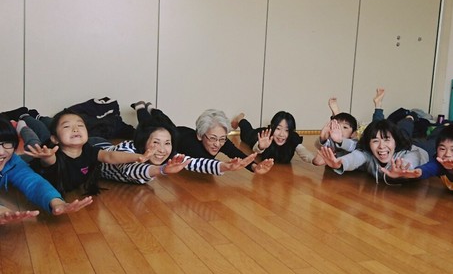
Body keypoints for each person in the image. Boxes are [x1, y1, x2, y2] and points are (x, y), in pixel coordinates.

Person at [94, 105, 258, 184]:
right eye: (156, 142)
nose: (162, 149)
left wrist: (226, 166)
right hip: (96, 147)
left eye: (167, 143)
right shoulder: (126, 150)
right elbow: (132, 170)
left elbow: (196, 163)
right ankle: (141, 108)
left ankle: (149, 108)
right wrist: (160, 169)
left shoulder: (169, 153)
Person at [24, 109, 152, 195]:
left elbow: (109, 156)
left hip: (49, 148)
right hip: (35, 158)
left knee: (42, 134)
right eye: (67, 126)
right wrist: (47, 157)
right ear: (55, 138)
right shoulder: (52, 153)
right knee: (35, 140)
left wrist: (138, 157)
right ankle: (23, 118)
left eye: (80, 125)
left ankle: (30, 118)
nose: (75, 129)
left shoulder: (88, 150)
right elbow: (50, 161)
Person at [131, 103, 274, 175]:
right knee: (155, 124)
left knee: (165, 119)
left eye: (222, 139)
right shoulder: (190, 145)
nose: (217, 144)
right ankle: (141, 107)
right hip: (178, 134)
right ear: (200, 135)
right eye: (213, 138)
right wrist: (227, 166)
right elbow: (204, 163)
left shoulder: (220, 141)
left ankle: (152, 108)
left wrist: (255, 167)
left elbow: (238, 154)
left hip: (184, 132)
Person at [0, 117, 93, 224]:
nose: (1, 152)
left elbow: (34, 183)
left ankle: (22, 123)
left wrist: (57, 202)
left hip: (29, 154)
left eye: (6, 143)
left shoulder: (12, 161)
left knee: (34, 145)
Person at [380, 125, 453, 195]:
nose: (447, 154)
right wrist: (412, 173)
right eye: (442, 149)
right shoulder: (441, 162)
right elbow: (428, 168)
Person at [318, 118, 429, 184]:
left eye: (386, 140)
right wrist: (339, 164)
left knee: (429, 138)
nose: (381, 146)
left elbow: (410, 161)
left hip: (424, 148)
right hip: (399, 141)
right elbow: (355, 157)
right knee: (403, 129)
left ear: (395, 142)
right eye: (375, 141)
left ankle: (410, 117)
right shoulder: (367, 154)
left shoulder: (410, 153)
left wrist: (404, 170)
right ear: (368, 144)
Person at [314, 88, 385, 166]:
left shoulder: (354, 142)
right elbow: (319, 147)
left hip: (365, 140)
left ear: (353, 134)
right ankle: (337, 115)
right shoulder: (332, 141)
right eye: (337, 126)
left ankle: (378, 105)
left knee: (377, 129)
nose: (339, 130)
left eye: (345, 127)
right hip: (343, 159)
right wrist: (323, 139)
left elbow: (351, 145)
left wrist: (340, 140)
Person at [230, 111, 316, 164]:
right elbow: (256, 149)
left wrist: (314, 160)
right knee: (247, 133)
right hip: (257, 136)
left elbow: (303, 151)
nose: (281, 134)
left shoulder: (292, 137)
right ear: (273, 127)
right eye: (278, 128)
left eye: (286, 130)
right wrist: (260, 147)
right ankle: (240, 118)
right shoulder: (265, 136)